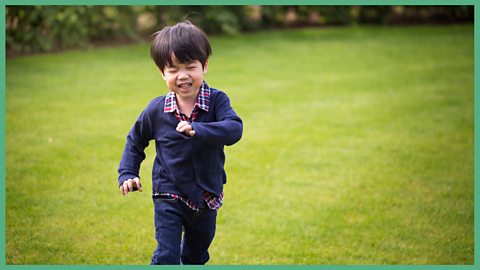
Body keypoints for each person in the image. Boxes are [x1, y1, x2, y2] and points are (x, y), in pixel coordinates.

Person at [117, 20, 243, 265]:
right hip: (169, 194)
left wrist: (199, 129)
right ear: (162, 73)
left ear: (204, 65)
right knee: (167, 256)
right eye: (173, 69)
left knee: (195, 256)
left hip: (207, 196)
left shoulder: (217, 101)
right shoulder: (156, 110)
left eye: (190, 66)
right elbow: (135, 140)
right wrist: (128, 172)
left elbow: (234, 129)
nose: (182, 75)